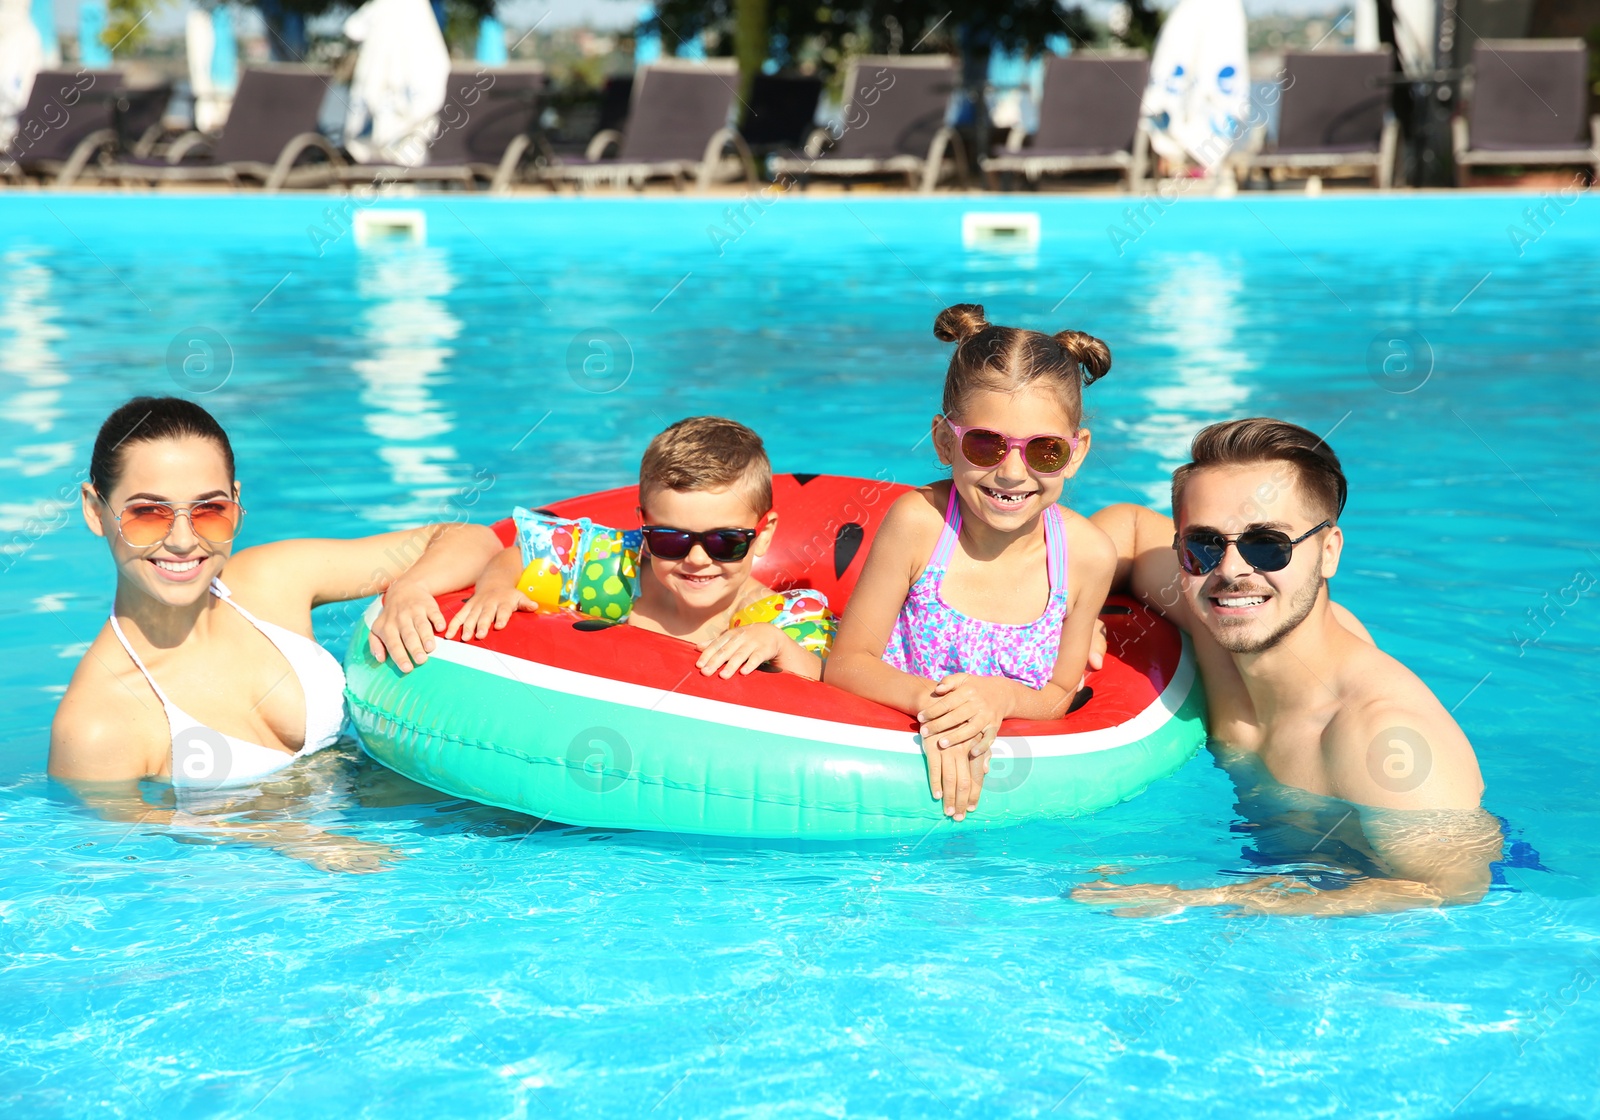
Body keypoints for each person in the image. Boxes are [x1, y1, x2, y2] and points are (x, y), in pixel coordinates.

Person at [48, 397, 503, 872]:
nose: (183, 540)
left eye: (209, 509)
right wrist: (278, 835)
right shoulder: (96, 725)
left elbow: (471, 539)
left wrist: (411, 586)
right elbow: (109, 859)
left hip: (407, 848)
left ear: (237, 503)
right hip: (260, 904)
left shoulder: (271, 580)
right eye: (148, 513)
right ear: (95, 510)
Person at [1074, 418, 1500, 916]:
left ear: (1329, 552)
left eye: (1267, 545)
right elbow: (1124, 526)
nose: (1231, 570)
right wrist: (1070, 612)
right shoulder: (1219, 621)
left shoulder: (1378, 737)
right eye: (1203, 545)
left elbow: (1454, 888)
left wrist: (1195, 899)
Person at [825, 304, 1118, 822]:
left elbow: (1057, 695)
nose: (1011, 472)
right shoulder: (920, 525)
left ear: (1076, 453)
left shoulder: (1087, 557)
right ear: (944, 440)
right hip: (884, 778)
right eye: (985, 444)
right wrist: (946, 709)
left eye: (1044, 451)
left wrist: (999, 697)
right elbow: (846, 665)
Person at [445, 416, 831, 679]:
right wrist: (495, 588)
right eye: (670, 540)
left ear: (763, 534)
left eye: (724, 541)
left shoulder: (778, 620)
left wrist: (779, 646)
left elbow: (829, 686)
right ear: (644, 529)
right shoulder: (615, 571)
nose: (697, 559)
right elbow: (521, 554)